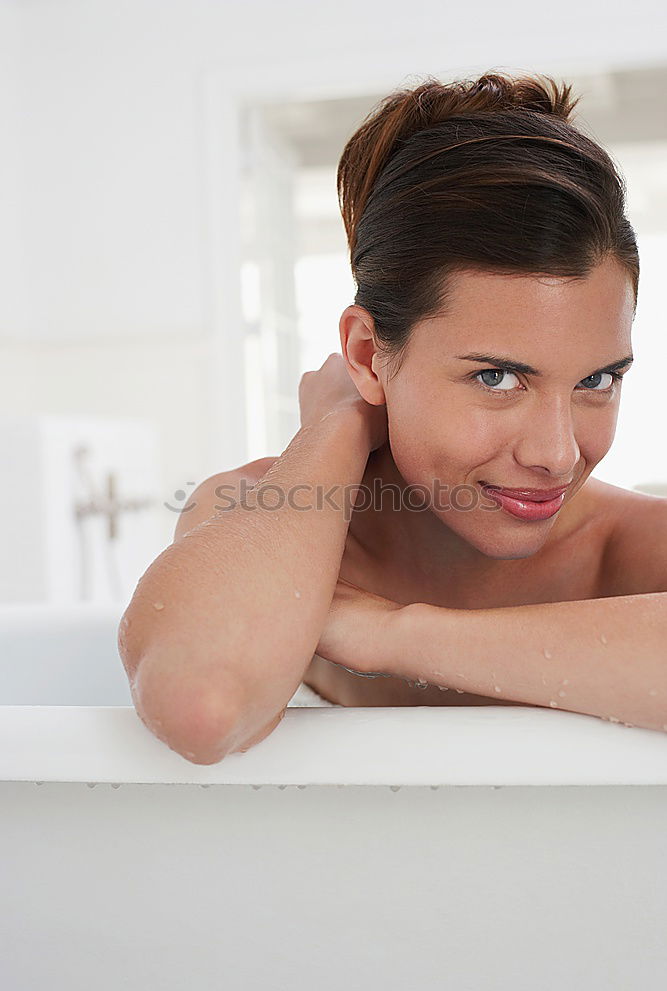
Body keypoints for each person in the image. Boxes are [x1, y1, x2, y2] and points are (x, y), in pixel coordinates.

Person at [118, 71, 667, 765]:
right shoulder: (254, 518)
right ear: (366, 351)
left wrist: (389, 633)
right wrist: (336, 424)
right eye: (495, 377)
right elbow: (202, 707)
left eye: (596, 380)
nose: (557, 455)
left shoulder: (639, 546)